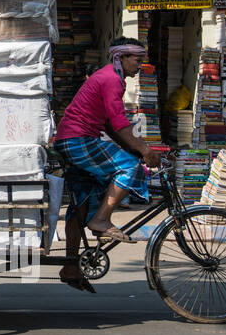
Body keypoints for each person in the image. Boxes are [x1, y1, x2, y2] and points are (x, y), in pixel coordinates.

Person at [52, 38, 160, 292]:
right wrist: (143, 151)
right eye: (136, 59)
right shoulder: (111, 79)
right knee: (130, 168)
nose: (139, 66)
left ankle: (70, 266)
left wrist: (133, 146)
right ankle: (101, 219)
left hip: (71, 139)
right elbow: (119, 122)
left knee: (81, 202)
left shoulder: (109, 78)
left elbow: (112, 126)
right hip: (79, 139)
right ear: (121, 57)